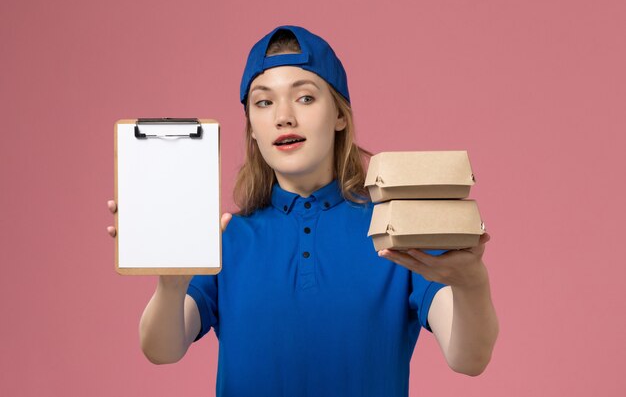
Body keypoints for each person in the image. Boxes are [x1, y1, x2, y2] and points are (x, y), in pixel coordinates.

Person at [107, 25, 498, 396]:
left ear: (340, 115)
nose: (283, 116)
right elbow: (162, 349)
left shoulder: (394, 228)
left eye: (305, 97)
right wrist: (171, 283)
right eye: (263, 102)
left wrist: (471, 283)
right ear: (252, 128)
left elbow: (469, 358)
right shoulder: (226, 239)